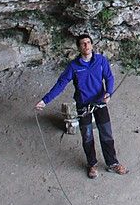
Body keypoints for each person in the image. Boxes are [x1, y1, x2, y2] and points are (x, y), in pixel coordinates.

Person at [35, 34, 129, 179]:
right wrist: (44, 101)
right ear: (79, 48)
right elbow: (61, 84)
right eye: (82, 44)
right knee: (87, 136)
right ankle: (92, 164)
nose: (86, 45)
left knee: (106, 133)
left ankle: (112, 163)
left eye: (88, 42)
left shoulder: (101, 61)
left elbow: (109, 77)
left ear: (92, 45)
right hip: (83, 105)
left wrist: (109, 93)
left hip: (100, 102)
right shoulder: (74, 66)